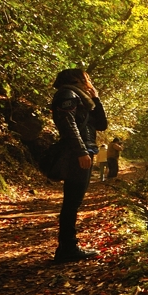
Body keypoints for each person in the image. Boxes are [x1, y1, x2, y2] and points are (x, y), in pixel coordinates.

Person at [51, 69, 108, 263]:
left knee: (74, 202)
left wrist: (97, 99)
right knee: (72, 202)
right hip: (77, 153)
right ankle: (67, 248)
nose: (89, 80)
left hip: (86, 151)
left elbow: (101, 124)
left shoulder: (82, 97)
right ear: (77, 79)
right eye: (86, 77)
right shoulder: (67, 94)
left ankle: (67, 246)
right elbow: (68, 124)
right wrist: (81, 151)